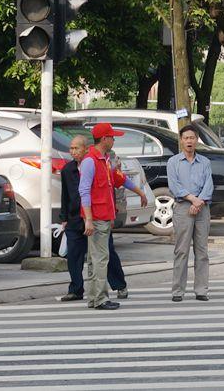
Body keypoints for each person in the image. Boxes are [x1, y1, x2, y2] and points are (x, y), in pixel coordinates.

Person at [79, 123, 148, 310]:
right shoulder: (91, 161)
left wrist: (140, 192)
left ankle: (94, 298)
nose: (114, 140)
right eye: (112, 137)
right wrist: (89, 219)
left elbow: (120, 178)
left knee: (95, 259)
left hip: (102, 216)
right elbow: (84, 191)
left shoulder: (105, 160)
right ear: (104, 139)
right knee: (100, 259)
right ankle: (100, 299)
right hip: (97, 217)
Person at [59, 135, 130, 303]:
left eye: (76, 148)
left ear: (86, 149)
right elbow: (65, 195)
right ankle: (76, 289)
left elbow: (108, 190)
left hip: (96, 216)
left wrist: (111, 215)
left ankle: (119, 285)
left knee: (106, 254)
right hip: (76, 217)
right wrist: (64, 217)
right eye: (71, 148)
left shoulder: (97, 164)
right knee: (74, 255)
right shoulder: (68, 170)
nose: (73, 152)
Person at [167, 125, 214, 302]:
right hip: (182, 208)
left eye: (192, 138)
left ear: (196, 140)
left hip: (202, 208)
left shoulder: (205, 162)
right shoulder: (173, 162)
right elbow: (174, 186)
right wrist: (192, 199)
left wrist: (199, 201)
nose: (189, 141)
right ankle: (178, 291)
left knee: (202, 251)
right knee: (181, 250)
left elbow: (209, 185)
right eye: (186, 138)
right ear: (181, 140)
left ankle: (201, 290)